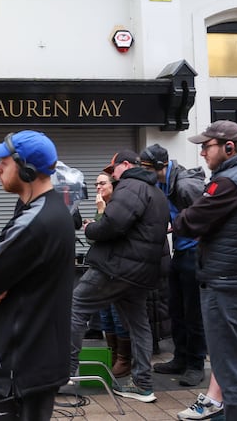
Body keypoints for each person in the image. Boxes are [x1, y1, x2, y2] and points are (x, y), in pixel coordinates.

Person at [0, 131, 74, 420]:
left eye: (4, 162)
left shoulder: (36, 221)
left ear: (27, 170)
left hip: (18, 370)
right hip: (31, 363)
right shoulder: (42, 209)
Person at [173, 120, 237, 421]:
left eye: (206, 146)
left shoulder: (227, 183)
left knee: (232, 376)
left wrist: (190, 209)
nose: (202, 153)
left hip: (227, 289)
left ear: (229, 148)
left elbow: (188, 223)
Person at [71, 150, 169, 403]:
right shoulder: (156, 192)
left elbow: (112, 225)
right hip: (141, 272)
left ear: (125, 165)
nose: (111, 175)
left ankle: (63, 374)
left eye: (112, 169)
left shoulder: (130, 186)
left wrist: (91, 228)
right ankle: (142, 384)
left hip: (116, 269)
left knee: (75, 306)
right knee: (138, 325)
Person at [140, 143, 208, 387]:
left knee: (193, 312)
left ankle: (195, 364)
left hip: (194, 253)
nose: (144, 171)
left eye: (147, 167)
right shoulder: (160, 183)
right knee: (176, 309)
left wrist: (179, 227)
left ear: (161, 166)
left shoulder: (186, 185)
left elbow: (205, 217)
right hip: (180, 251)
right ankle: (180, 358)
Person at [90, 172, 132, 378]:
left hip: (118, 271)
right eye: (96, 184)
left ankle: (124, 360)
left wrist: (98, 216)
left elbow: (103, 235)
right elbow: (94, 238)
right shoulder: (104, 206)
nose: (98, 187)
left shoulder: (115, 207)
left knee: (117, 315)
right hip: (104, 270)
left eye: (102, 183)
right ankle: (114, 356)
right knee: (105, 315)